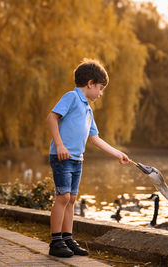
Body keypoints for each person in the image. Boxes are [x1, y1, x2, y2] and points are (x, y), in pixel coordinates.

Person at [47, 58, 130, 257]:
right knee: (63, 197)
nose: (100, 94)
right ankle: (55, 242)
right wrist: (59, 144)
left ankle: (67, 238)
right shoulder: (72, 97)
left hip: (77, 159)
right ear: (90, 83)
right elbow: (51, 117)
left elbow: (95, 138)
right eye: (100, 88)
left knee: (72, 199)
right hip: (62, 157)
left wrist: (117, 153)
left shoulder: (88, 111)